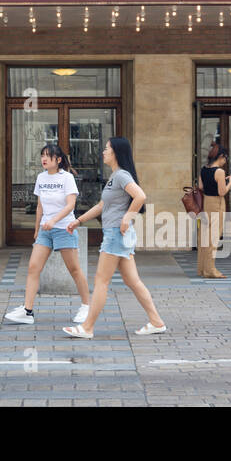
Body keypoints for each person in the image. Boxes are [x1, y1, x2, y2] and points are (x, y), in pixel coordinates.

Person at [62, 136, 167, 338]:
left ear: (116, 152)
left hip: (116, 235)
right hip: (119, 235)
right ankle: (156, 321)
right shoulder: (115, 177)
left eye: (107, 149)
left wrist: (128, 217)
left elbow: (140, 196)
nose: (103, 152)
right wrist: (79, 220)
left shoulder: (121, 176)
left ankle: (87, 327)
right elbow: (103, 206)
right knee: (132, 280)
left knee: (101, 280)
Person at [4, 144, 92, 325]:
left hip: (64, 229)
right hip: (46, 230)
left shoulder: (67, 178)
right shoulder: (41, 177)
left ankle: (86, 306)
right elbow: (40, 206)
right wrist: (37, 228)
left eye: (48, 156)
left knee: (74, 270)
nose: (44, 159)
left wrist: (54, 220)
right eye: (42, 155)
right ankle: (27, 311)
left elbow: (70, 205)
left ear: (58, 160)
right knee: (33, 268)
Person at [197, 143, 231, 279]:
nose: (226, 161)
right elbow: (222, 192)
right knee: (213, 237)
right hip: (216, 204)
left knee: (204, 237)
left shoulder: (203, 169)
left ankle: (202, 269)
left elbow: (201, 186)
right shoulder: (219, 172)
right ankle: (211, 270)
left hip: (206, 203)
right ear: (221, 156)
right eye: (226, 158)